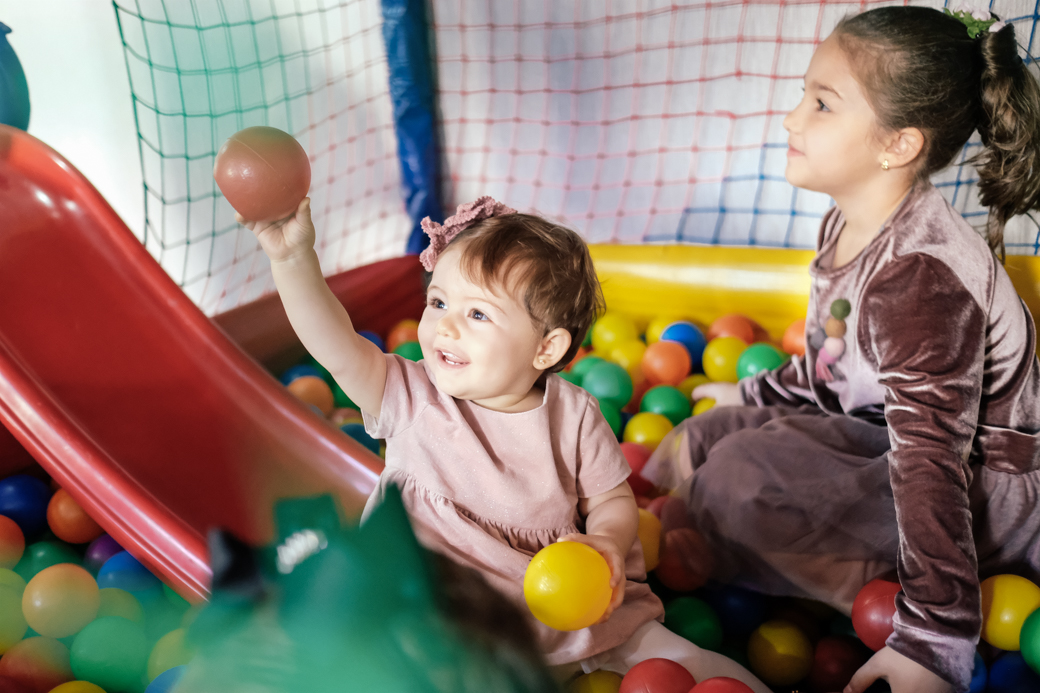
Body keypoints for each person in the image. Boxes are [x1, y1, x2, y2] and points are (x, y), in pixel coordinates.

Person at [643, 6, 1040, 693]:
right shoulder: (846, 223)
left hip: (973, 496)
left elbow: (931, 460)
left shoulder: (923, 279)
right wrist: (749, 394)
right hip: (876, 436)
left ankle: (873, 595)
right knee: (693, 441)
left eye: (822, 103)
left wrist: (932, 636)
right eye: (804, 95)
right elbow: (836, 360)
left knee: (735, 479)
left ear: (898, 145)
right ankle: (688, 538)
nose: (793, 118)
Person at [239, 196, 771, 691]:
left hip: (559, 602)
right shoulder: (409, 393)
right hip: (439, 612)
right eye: (438, 301)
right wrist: (292, 260)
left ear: (546, 347)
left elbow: (611, 500)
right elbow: (333, 345)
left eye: (477, 314)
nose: (444, 326)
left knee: (684, 662)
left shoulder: (575, 414)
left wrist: (606, 543)